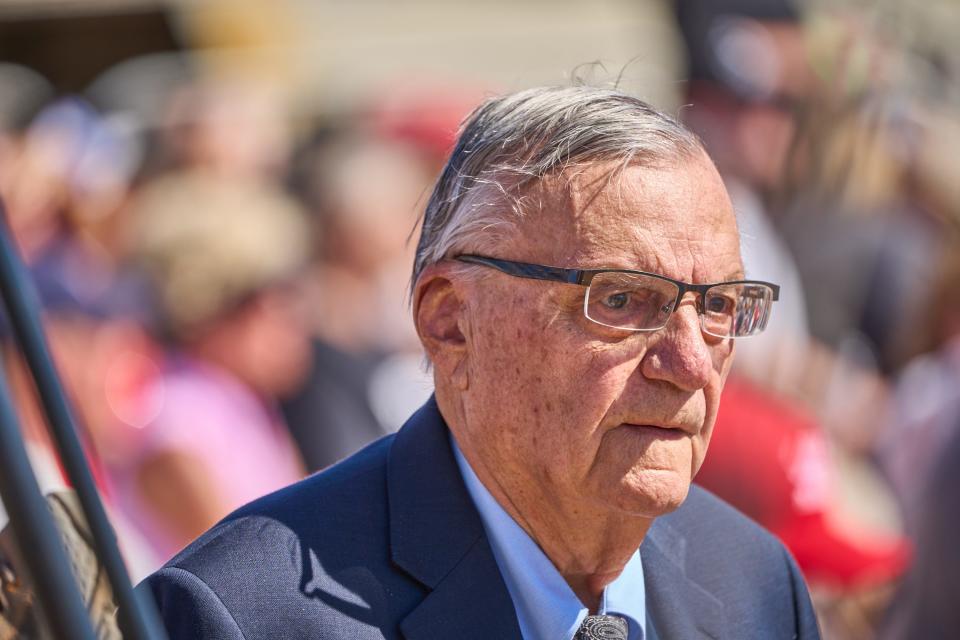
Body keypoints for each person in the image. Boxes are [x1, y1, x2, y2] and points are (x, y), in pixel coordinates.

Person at [142, 86, 820, 639]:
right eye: (620, 299)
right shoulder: (242, 615)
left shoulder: (754, 582)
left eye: (721, 306)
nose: (691, 362)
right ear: (450, 321)